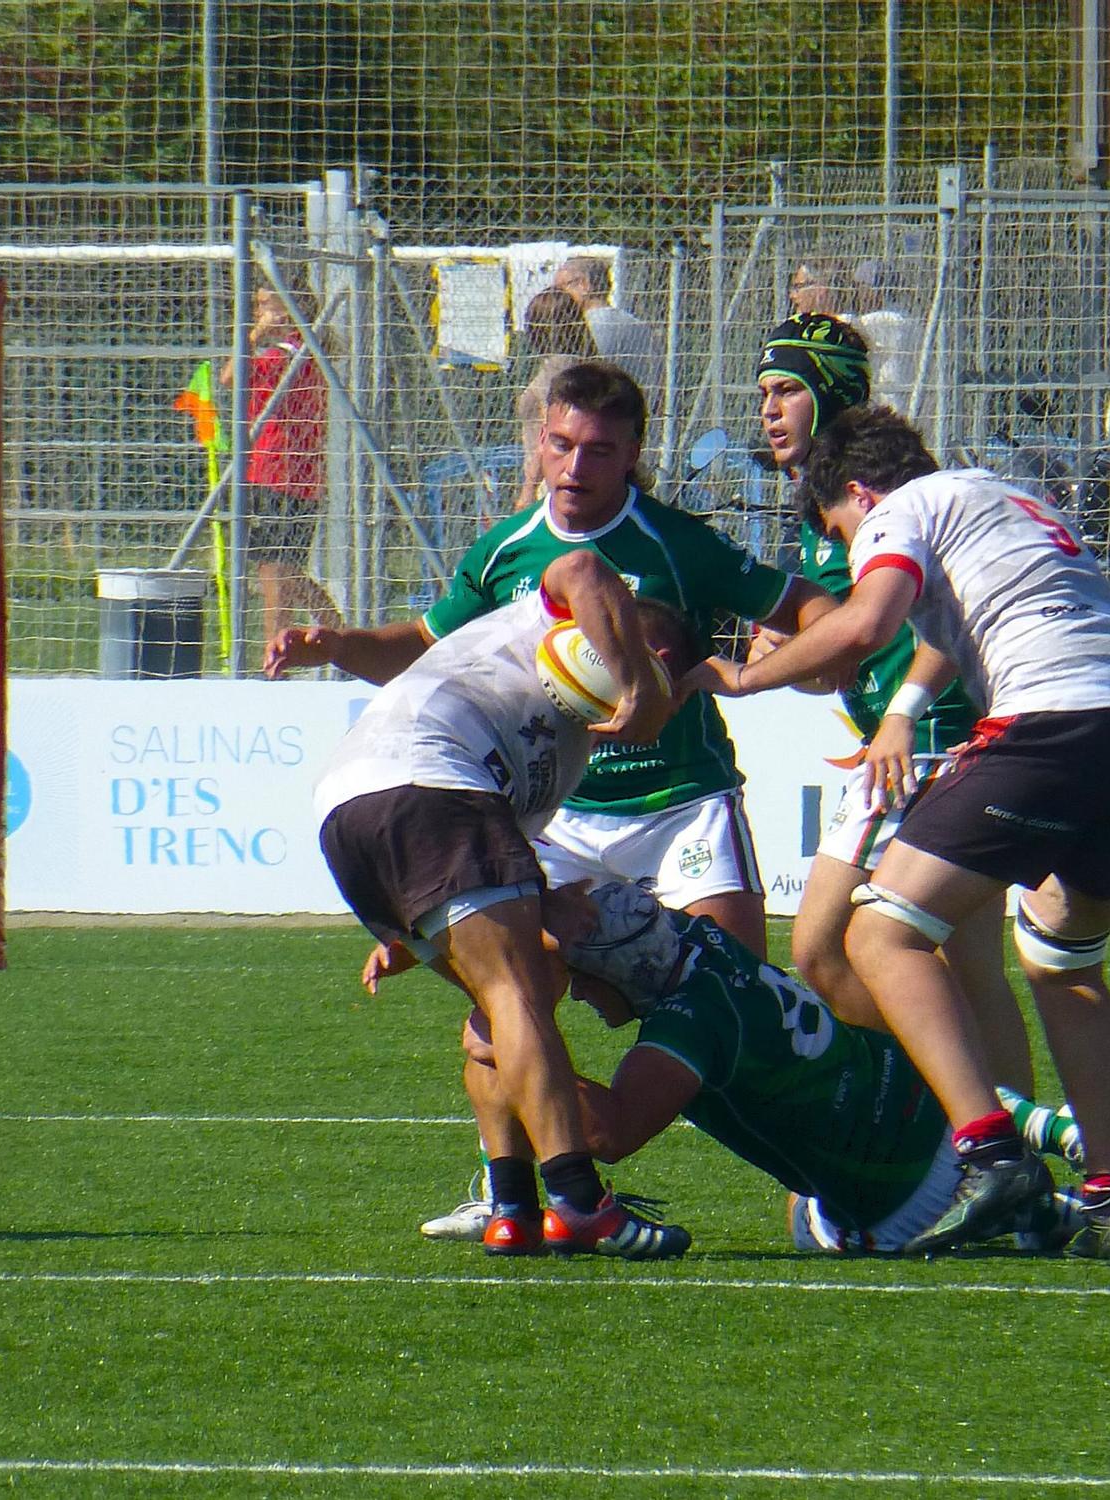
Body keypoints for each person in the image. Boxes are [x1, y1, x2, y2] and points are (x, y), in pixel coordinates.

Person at [265, 361, 836, 1240]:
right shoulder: (505, 550)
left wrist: (767, 672)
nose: (575, 467)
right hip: (549, 819)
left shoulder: (678, 543)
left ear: (633, 454)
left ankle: (813, 1184)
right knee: (508, 996)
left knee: (734, 999)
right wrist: (338, 644)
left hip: (679, 802)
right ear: (540, 441)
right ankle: (518, 1187)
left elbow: (815, 609)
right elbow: (422, 648)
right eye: (561, 444)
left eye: (599, 451)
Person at [687, 405, 1110, 1259]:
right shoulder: (1003, 497)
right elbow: (954, 635)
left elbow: (865, 626)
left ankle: (994, 1154)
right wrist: (904, 708)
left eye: (843, 530)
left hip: (1052, 724)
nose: (853, 547)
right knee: (1063, 964)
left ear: (856, 492)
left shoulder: (901, 511)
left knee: (879, 934)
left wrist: (739, 677)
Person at [312, 547, 693, 1258]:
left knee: (513, 999)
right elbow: (583, 567)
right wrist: (639, 682)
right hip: (414, 776)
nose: (652, 669)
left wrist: (534, 908)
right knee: (518, 994)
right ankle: (581, 1204)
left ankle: (512, 1206)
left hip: (359, 816)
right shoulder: (541, 619)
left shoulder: (567, 754)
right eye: (647, 649)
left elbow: (497, 849)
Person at [751, 313, 1038, 1103]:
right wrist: (783, 659)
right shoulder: (816, 510)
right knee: (966, 964)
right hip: (916, 746)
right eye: (763, 394)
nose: (769, 411)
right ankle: (1005, 1146)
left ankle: (952, 1108)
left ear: (832, 393)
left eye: (787, 392)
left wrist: (895, 706)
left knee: (822, 950)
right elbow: (841, 663)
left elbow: (939, 622)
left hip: (933, 746)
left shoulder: (891, 496)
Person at [542, 881, 1083, 1254]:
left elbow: (605, 1133)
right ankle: (1039, 1137)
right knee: (918, 1078)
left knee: (809, 1220)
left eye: (584, 976)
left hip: (894, 1199)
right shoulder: (701, 936)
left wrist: (525, 1044)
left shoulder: (687, 1028)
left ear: (625, 969)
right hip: (937, 1112)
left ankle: (1023, 1204)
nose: (578, 991)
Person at [226, 286, 341, 645]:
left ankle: (275, 657)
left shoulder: (290, 354)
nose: (259, 312)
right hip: (277, 473)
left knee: (278, 575)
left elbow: (229, 376)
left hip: (282, 475)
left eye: (266, 306)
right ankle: (336, 628)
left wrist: (256, 332)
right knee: (278, 572)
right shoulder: (300, 351)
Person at [513, 287, 596, 509]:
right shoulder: (587, 364)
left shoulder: (557, 371)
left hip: (550, 484)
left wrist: (528, 489)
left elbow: (549, 433)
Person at [553, 255, 659, 396]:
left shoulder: (583, 329)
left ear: (584, 284)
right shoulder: (637, 324)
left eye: (560, 288)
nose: (556, 297)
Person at [847, 259, 925, 411]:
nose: (857, 294)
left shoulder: (880, 320)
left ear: (875, 289)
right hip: (912, 395)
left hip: (887, 397)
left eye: (861, 286)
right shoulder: (908, 318)